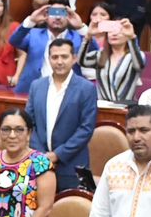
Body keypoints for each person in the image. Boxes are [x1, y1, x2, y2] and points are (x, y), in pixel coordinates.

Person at [26, 37, 98, 192]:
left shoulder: (86, 88)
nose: (59, 61)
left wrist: (57, 155)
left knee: (68, 214)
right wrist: (42, 156)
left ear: (74, 59)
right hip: (40, 164)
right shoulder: (37, 86)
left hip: (72, 166)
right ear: (49, 59)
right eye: (54, 57)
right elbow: (28, 124)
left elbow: (86, 129)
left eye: (64, 57)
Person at [7, 0, 83, 94]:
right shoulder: (34, 34)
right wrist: (31, 21)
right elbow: (14, 40)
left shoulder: (78, 37)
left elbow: (94, 49)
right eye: (53, 12)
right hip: (33, 90)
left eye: (62, 13)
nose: (58, 17)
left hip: (67, 92)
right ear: (46, 16)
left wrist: (80, 27)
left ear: (69, 16)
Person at [92, 17, 141, 104]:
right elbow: (81, 61)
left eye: (119, 31)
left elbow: (139, 66)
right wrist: (88, 35)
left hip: (126, 108)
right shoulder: (100, 55)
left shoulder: (134, 56)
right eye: (110, 31)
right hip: (103, 106)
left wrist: (132, 37)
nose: (114, 34)